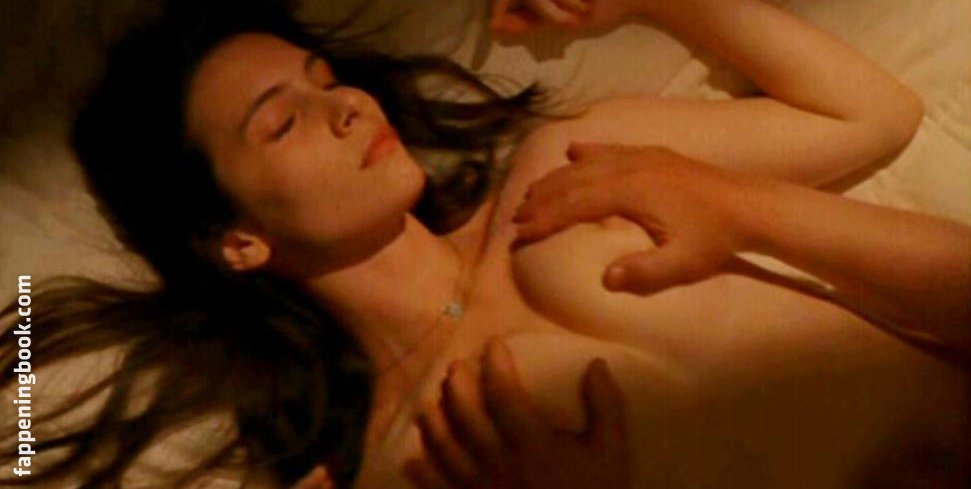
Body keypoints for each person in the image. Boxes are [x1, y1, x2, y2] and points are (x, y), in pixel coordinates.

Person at [0, 0, 965, 488]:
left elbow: (871, 116)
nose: (344, 105)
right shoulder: (412, 462)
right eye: (281, 121)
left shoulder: (571, 173)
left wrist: (656, 11)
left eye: (324, 78)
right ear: (238, 241)